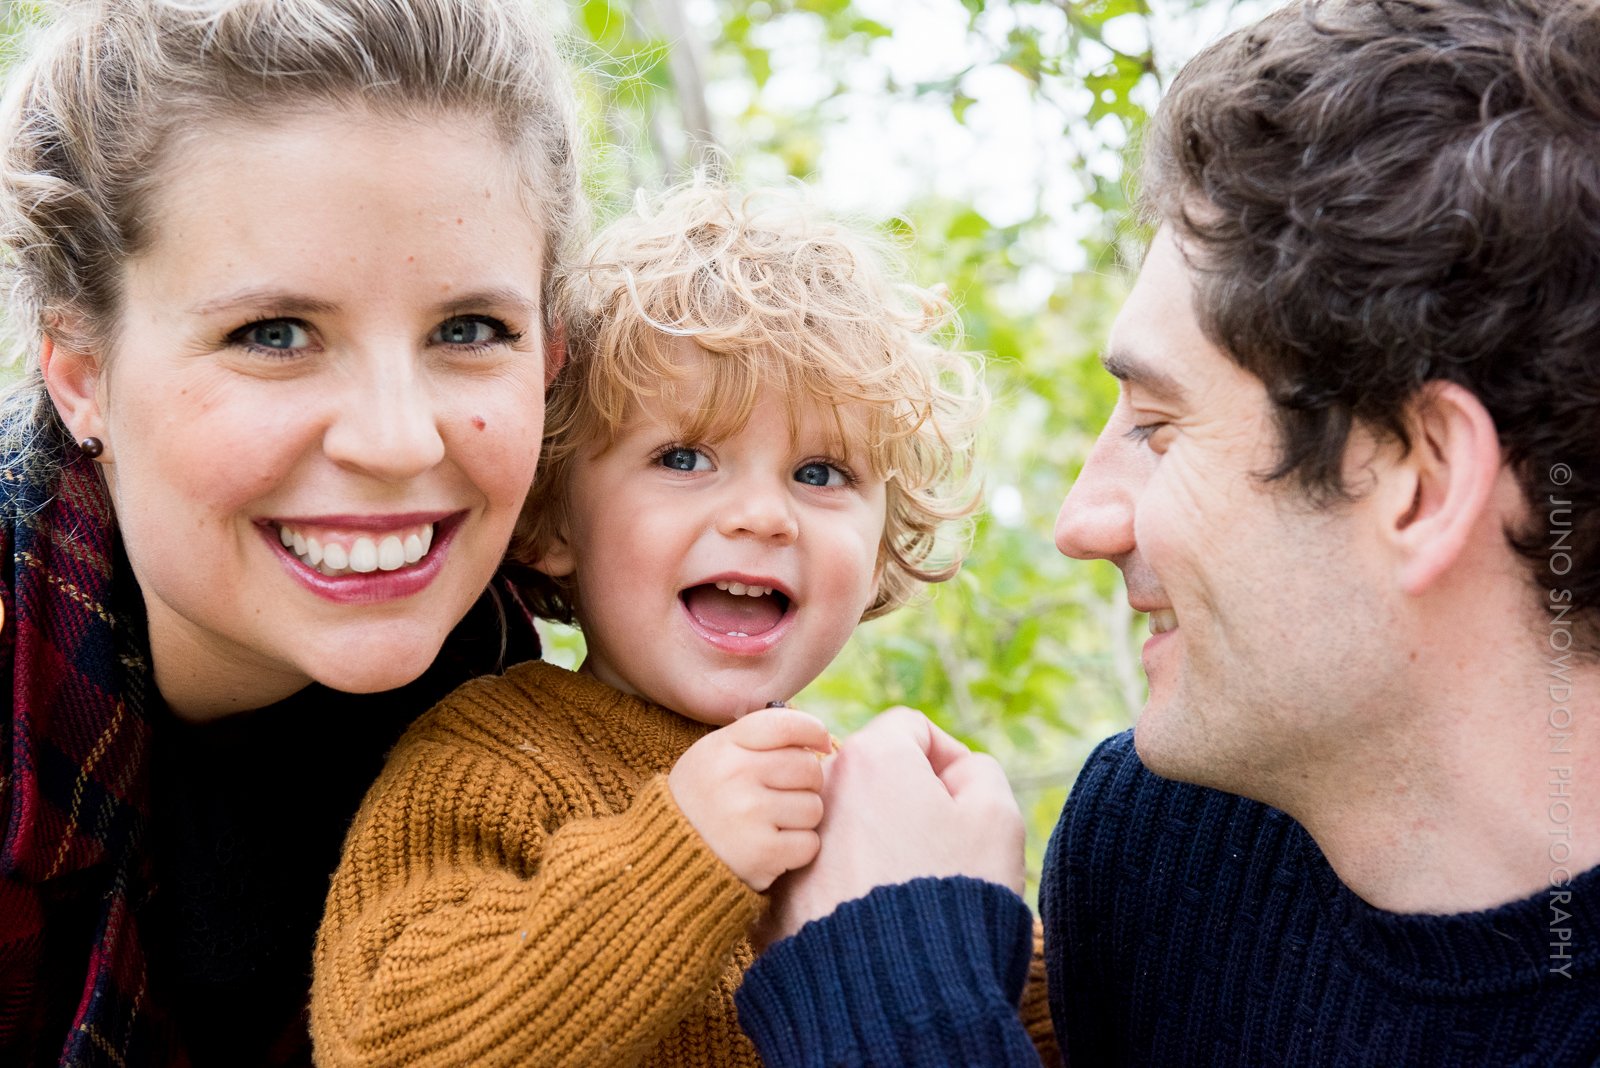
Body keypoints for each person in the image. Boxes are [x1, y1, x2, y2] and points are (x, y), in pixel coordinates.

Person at [735, 0, 1600, 1064]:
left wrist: (883, 983)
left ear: (1421, 482)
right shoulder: (1160, 846)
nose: (1079, 522)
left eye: (1155, 427)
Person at [309, 181, 1030, 1067]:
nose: (764, 516)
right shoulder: (490, 762)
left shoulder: (864, 804)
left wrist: (970, 915)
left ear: (883, 544)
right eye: (684, 458)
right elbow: (383, 1042)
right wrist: (679, 859)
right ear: (549, 519)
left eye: (822, 472)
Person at [0, 1, 582, 1064]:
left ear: (546, 360)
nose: (399, 441)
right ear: (82, 374)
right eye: (274, 334)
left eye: (468, 330)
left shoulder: (561, 762)